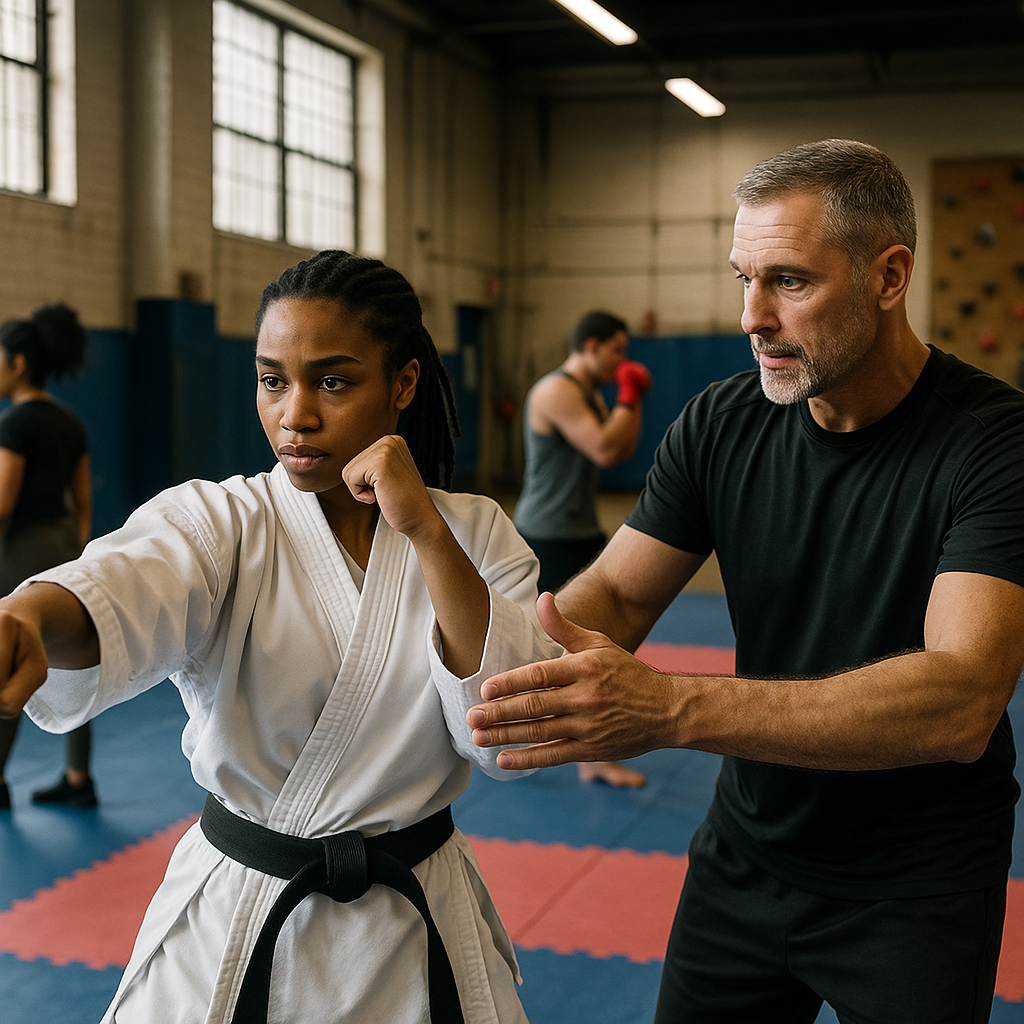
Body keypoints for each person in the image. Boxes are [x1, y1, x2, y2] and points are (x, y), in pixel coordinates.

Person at [468, 140, 1024, 1024]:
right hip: (748, 856)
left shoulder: (993, 443)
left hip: (916, 884)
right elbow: (613, 598)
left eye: (790, 282)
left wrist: (669, 710)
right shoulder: (722, 423)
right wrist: (477, 677)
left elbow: (962, 699)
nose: (752, 317)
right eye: (744, 278)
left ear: (890, 277)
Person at [0, 251, 561, 1024]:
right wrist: (29, 617)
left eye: (332, 381)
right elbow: (127, 585)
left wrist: (427, 532)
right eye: (273, 380)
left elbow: (507, 733)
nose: (295, 413)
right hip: (241, 919)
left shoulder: (474, 531)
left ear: (402, 383)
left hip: (413, 926)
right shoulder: (223, 521)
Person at [514, 311, 651, 788]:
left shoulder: (587, 391)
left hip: (581, 532)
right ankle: (524, 733)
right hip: (548, 534)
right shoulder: (555, 391)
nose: (622, 360)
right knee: (545, 645)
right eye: (616, 349)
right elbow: (604, 450)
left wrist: (628, 401)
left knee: (600, 643)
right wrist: (630, 395)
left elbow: (623, 448)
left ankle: (590, 753)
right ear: (591, 346)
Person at [0, 303, 95, 810]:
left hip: (20, 551)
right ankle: (79, 778)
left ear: (17, 364)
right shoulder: (69, 422)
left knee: (6, 651)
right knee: (75, 661)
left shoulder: (15, 424)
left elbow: (2, 505)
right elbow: (83, 500)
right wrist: (76, 555)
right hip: (62, 546)